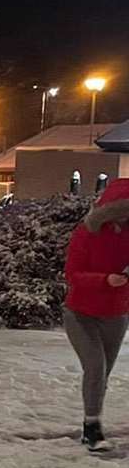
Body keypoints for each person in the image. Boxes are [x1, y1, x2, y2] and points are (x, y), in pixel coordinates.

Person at [63, 178, 129, 452]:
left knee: (103, 374)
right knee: (95, 366)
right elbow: (72, 274)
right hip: (80, 312)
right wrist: (105, 280)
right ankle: (92, 428)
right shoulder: (87, 234)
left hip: (116, 313)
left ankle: (93, 420)